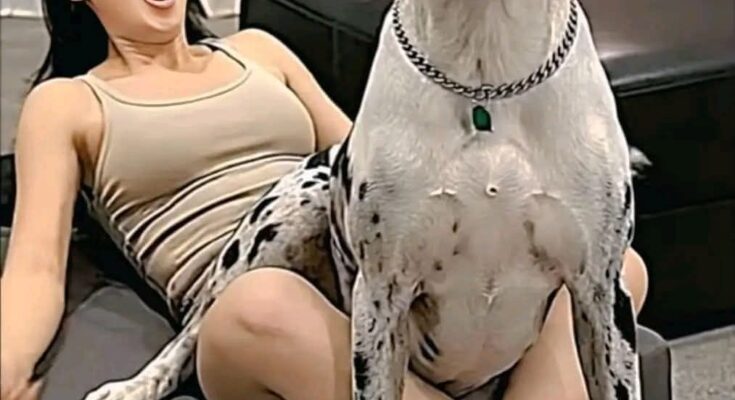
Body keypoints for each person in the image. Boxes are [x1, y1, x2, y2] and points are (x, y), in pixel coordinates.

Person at [0, 0, 649, 399]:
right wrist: (9, 362)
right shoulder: (68, 102)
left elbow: (373, 161)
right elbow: (34, 266)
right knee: (262, 303)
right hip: (245, 305)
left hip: (357, 258)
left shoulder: (258, 51)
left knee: (622, 268)